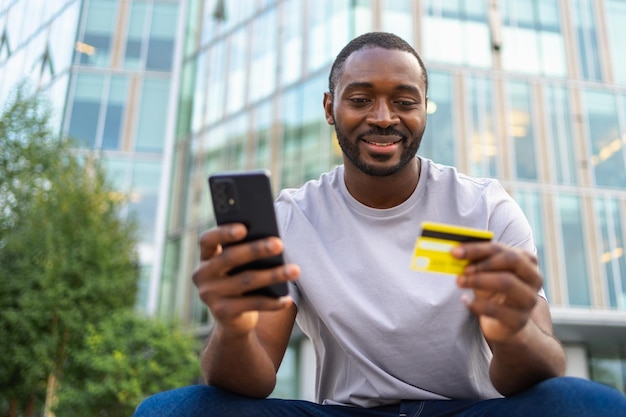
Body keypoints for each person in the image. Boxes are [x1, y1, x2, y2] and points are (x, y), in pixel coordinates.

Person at [134, 32, 626, 417]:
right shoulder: (293, 217)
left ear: (424, 111)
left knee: (589, 405)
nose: (384, 117)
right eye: (361, 99)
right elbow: (254, 377)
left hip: (467, 409)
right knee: (168, 411)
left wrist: (515, 330)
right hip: (347, 413)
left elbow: (546, 367)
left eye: (405, 102)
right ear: (331, 109)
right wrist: (232, 326)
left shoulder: (484, 207)